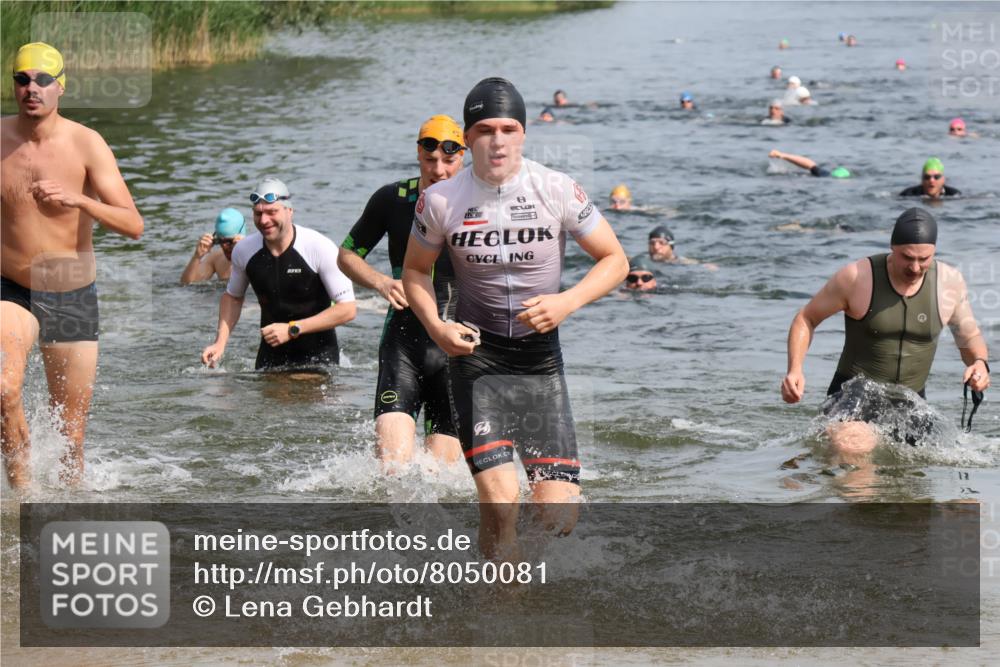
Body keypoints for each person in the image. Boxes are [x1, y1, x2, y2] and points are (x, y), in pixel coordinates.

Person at [402, 77, 628, 559]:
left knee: (557, 517)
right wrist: (437, 328)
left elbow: (615, 261)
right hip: (477, 360)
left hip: (539, 361)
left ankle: (508, 561)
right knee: (500, 501)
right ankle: (500, 608)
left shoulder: (557, 188)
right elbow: (415, 273)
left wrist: (567, 301)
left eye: (508, 128)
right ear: (468, 137)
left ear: (523, 133)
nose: (498, 140)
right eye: (485, 129)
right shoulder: (441, 199)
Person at [1, 43, 144, 489]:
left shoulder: (86, 143)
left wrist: (79, 199)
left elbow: (133, 224)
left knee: (71, 436)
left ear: (61, 86)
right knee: (4, 390)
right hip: (11, 286)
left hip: (70, 291)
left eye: (43, 80)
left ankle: (65, 515)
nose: (32, 88)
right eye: (22, 79)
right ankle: (22, 501)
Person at [781, 208, 990, 456]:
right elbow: (806, 318)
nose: (915, 267)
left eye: (924, 259)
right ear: (892, 247)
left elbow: (969, 336)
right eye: (907, 257)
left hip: (912, 403)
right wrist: (795, 369)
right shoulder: (857, 277)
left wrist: (979, 363)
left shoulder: (949, 282)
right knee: (855, 449)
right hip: (854, 395)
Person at [338, 115, 465, 468]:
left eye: (449, 160)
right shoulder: (392, 199)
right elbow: (346, 254)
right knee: (391, 470)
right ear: (418, 155)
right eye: (430, 160)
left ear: (464, 156)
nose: (438, 170)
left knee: (439, 478)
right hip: (403, 343)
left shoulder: (481, 205)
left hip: (457, 349)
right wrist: (381, 282)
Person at [201, 177, 356, 371]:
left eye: (271, 212)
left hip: (319, 359)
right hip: (270, 358)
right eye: (258, 214)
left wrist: (292, 329)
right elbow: (233, 297)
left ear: (289, 211)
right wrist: (220, 343)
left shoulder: (318, 246)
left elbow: (348, 309)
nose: (264, 220)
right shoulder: (244, 250)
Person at [180, 208, 246, 284]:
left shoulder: (257, 254)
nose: (224, 246)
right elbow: (187, 284)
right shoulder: (216, 258)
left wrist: (245, 253)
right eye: (220, 241)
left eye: (229, 241)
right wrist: (197, 256)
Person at [647, 225, 718, 269]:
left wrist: (707, 266)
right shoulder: (644, 261)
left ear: (671, 247)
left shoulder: (681, 262)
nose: (656, 247)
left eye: (661, 243)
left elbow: (700, 264)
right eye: (652, 243)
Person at [768, 149, 851, 179]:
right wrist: (781, 155)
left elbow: (810, 165)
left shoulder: (824, 175)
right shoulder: (824, 175)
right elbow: (810, 164)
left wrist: (782, 155)